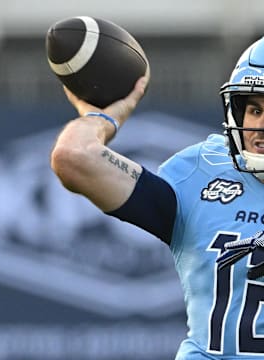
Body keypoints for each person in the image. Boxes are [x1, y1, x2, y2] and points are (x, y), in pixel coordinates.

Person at [50, 35, 264, 359]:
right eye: (254, 109)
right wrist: (102, 116)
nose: (259, 125)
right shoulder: (200, 172)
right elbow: (74, 157)